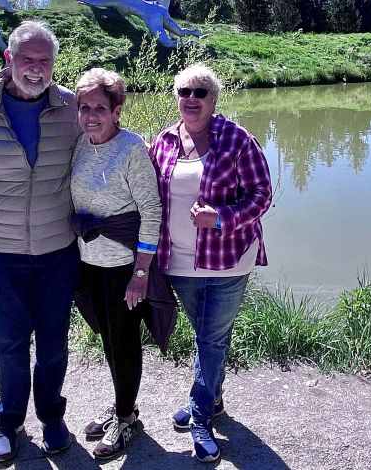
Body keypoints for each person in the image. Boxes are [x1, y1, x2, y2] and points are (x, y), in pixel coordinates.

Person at [0, 20, 82, 464]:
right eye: (27, 59)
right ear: (9, 59)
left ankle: (52, 417)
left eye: (45, 60)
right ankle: (9, 423)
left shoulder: (71, 108)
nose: (36, 68)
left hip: (58, 250)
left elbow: (96, 159)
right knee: (7, 344)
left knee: (54, 343)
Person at [149, 64, 272, 463]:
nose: (191, 98)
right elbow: (149, 195)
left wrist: (220, 218)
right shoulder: (164, 141)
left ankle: (200, 417)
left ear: (214, 99)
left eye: (200, 92)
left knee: (211, 339)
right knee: (208, 335)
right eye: (184, 91)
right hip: (178, 263)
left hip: (229, 260)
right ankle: (213, 400)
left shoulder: (237, 139)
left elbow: (261, 194)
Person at [69, 68, 162, 459]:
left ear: (117, 110)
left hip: (123, 266)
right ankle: (124, 405)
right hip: (87, 263)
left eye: (100, 108)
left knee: (123, 343)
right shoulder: (80, 144)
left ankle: (126, 420)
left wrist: (141, 274)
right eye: (85, 107)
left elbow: (151, 211)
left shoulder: (131, 149)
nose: (91, 115)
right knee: (107, 337)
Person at [49, 0, 201, 48]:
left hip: (151, 17)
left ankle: (189, 45)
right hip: (158, 10)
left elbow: (86, 0)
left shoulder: (117, 2)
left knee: (166, 43)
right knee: (180, 32)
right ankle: (195, 33)